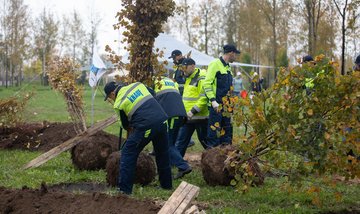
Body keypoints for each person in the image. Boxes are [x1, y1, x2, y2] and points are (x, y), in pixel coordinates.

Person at [103, 81, 172, 194]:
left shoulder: (119, 103)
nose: (111, 99)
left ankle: (124, 190)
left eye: (110, 97)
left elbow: (125, 125)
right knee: (162, 153)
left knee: (128, 153)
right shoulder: (137, 85)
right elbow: (153, 94)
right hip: (162, 119)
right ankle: (166, 185)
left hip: (146, 125)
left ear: (112, 93)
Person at [153, 76, 192, 179]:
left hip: (171, 115)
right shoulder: (171, 81)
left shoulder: (155, 82)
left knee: (167, 145)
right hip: (180, 114)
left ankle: (184, 166)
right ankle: (167, 168)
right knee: (171, 144)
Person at [203, 44, 241, 147]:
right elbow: (206, 84)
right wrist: (213, 100)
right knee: (214, 132)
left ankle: (226, 154)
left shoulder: (228, 67)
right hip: (217, 105)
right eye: (235, 54)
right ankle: (212, 157)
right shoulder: (215, 64)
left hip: (227, 105)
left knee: (227, 131)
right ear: (231, 53)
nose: (236, 57)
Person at [175, 58, 210, 156]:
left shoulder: (201, 78)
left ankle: (214, 160)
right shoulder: (188, 78)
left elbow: (203, 99)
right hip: (188, 118)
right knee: (181, 142)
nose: (183, 70)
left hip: (200, 117)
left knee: (205, 141)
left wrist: (192, 111)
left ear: (193, 66)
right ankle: (177, 164)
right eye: (182, 68)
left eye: (185, 67)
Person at [169, 49, 196, 148]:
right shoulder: (178, 66)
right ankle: (184, 139)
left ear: (179, 56)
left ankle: (187, 140)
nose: (173, 60)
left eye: (174, 57)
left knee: (182, 117)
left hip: (183, 94)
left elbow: (184, 80)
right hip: (178, 94)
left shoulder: (185, 65)